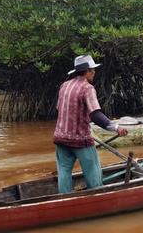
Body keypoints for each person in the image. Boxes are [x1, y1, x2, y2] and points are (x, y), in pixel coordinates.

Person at [53, 55, 128, 193]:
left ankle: (64, 198)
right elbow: (96, 115)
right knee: (93, 170)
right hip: (81, 140)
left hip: (60, 137)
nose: (94, 72)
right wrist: (116, 128)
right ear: (87, 71)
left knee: (64, 170)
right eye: (93, 70)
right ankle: (98, 196)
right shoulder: (87, 88)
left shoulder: (64, 86)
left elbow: (60, 108)